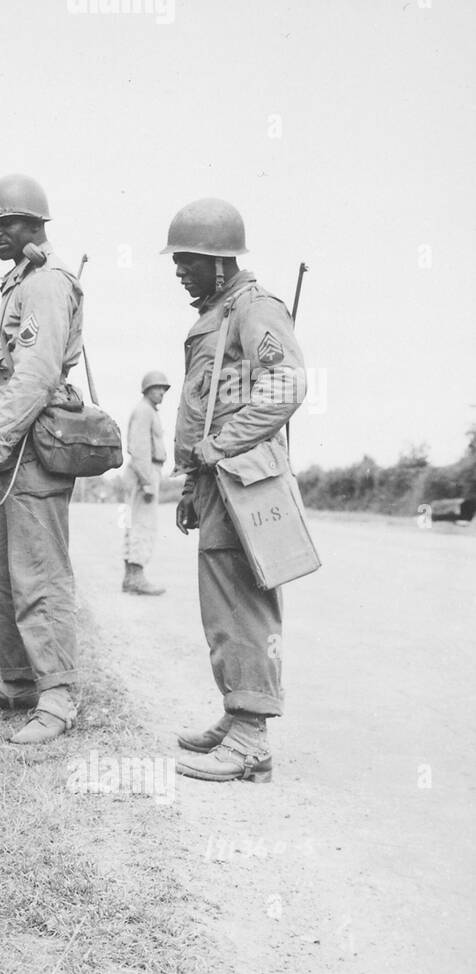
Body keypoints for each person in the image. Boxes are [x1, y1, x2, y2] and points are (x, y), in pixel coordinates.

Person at [164, 198, 306, 783]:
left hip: (247, 483)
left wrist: (222, 447)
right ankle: (238, 712)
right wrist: (195, 482)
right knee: (222, 604)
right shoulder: (218, 313)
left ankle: (251, 735)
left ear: (220, 263)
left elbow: (286, 385)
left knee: (244, 604)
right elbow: (204, 407)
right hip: (220, 485)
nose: (179, 271)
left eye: (188, 261)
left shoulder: (253, 308)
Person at [0, 175, 84, 746]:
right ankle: (19, 685)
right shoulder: (19, 284)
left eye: (4, 225)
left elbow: (34, 377)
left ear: (36, 223)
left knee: (40, 574)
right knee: (7, 575)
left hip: (32, 445)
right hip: (14, 446)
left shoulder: (47, 285)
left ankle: (57, 697)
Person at [123, 371, 171, 595]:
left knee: (133, 524)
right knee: (142, 524)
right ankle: (136, 577)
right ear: (147, 389)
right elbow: (139, 447)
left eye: (164, 388)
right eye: (158, 388)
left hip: (144, 471)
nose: (162, 392)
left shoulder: (148, 411)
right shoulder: (144, 411)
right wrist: (147, 481)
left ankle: (131, 577)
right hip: (145, 471)